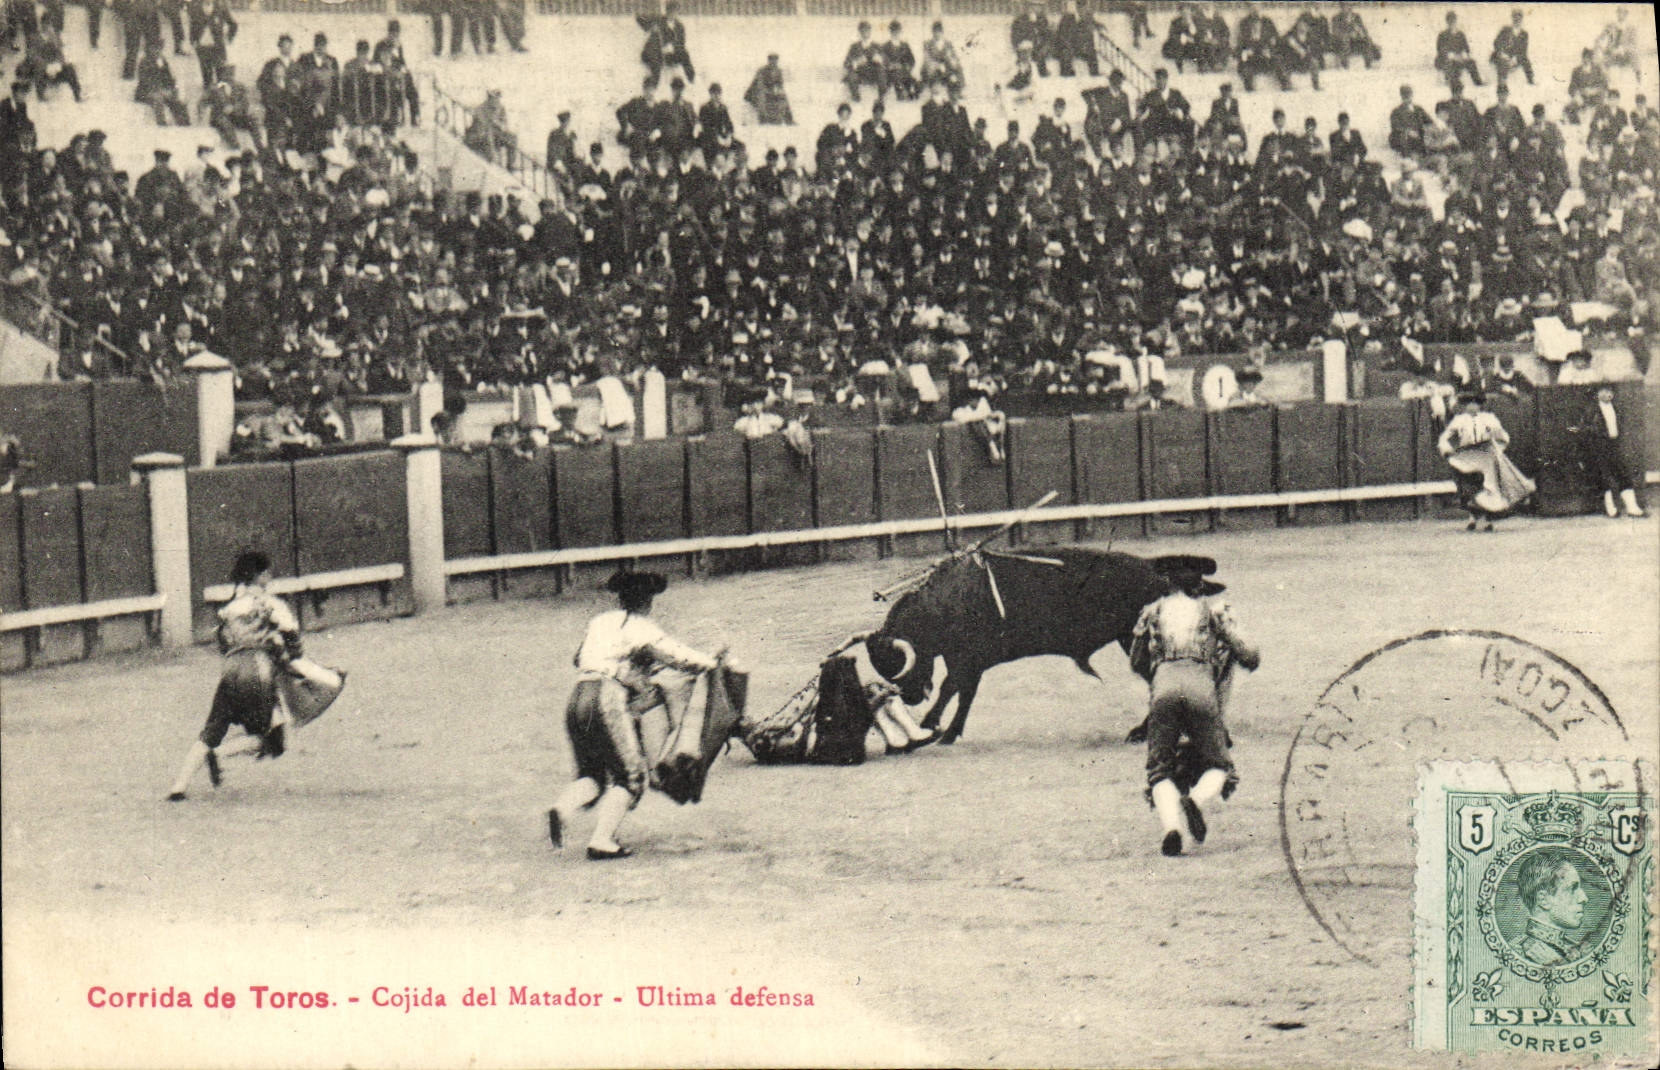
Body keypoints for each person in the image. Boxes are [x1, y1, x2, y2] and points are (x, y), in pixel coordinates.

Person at [547, 570, 719, 860]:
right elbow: (680, 657)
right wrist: (712, 663)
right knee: (632, 776)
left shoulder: (600, 621)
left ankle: (562, 808)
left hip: (578, 694)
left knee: (593, 773)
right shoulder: (643, 627)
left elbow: (578, 658)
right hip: (606, 697)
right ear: (647, 600)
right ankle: (602, 840)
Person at [166, 551, 344, 800]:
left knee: (213, 727)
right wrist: (301, 665)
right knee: (272, 739)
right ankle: (220, 755)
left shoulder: (227, 608)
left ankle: (179, 786)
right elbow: (292, 639)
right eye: (267, 572)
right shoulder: (270, 604)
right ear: (259, 576)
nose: (270, 577)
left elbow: (223, 644)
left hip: (230, 670)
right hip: (258, 672)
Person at [1130, 556, 1259, 857]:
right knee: (1220, 765)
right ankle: (1196, 801)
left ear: (1168, 582)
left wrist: (1162, 675)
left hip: (1163, 688)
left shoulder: (1151, 612)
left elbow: (1137, 662)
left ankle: (1171, 828)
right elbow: (1249, 656)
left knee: (1159, 769)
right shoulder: (1213, 610)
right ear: (1199, 584)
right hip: (1201, 688)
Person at [1438, 388, 1532, 531]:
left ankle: (1486, 520)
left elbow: (1503, 436)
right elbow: (1445, 438)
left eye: (1475, 403)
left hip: (1486, 456)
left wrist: (1495, 441)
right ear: (1464, 406)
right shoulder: (1459, 420)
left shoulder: (1489, 419)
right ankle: (1472, 517)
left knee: (1488, 487)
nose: (1472, 406)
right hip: (1467, 456)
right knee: (1469, 488)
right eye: (1469, 403)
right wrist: (1446, 449)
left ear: (1480, 405)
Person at [1573, 382, 1647, 518]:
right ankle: (1610, 507)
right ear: (1597, 393)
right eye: (1604, 391)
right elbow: (1585, 429)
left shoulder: (1616, 408)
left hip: (1614, 444)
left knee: (1622, 472)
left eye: (1610, 392)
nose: (1608, 394)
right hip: (1599, 446)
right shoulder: (1591, 410)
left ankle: (1632, 506)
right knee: (1603, 476)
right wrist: (1598, 436)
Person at [1514, 849, 1589, 966]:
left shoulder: (1580, 950)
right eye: (1572, 888)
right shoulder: (1518, 952)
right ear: (1543, 900)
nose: (1584, 898)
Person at [1434, 10, 1482, 88]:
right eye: (1450, 21)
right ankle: (1451, 81)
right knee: (1451, 64)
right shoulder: (1442, 35)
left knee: (1471, 62)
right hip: (1446, 59)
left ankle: (1478, 82)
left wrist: (1466, 55)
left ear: (1456, 21)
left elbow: (1466, 48)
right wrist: (1451, 56)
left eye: (1453, 21)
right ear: (1447, 22)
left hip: (1459, 57)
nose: (1452, 23)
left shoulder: (1460, 34)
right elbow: (1440, 49)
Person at [744, 53, 791, 125]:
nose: (774, 62)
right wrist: (768, 90)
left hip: (769, 90)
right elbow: (759, 84)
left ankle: (787, 119)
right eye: (772, 60)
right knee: (762, 96)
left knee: (783, 97)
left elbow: (780, 84)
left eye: (775, 61)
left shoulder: (778, 71)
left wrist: (778, 91)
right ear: (768, 61)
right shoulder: (762, 70)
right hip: (754, 92)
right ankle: (763, 118)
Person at [1490, 9, 1532, 86]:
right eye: (1515, 17)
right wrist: (1502, 53)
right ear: (1512, 18)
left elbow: (1523, 49)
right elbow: (1496, 43)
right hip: (1502, 54)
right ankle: (1502, 82)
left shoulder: (1524, 34)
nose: (1517, 20)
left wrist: (1515, 58)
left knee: (1525, 60)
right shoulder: (1505, 29)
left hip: (1514, 56)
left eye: (1519, 18)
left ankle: (1530, 80)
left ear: (1521, 19)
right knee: (1502, 62)